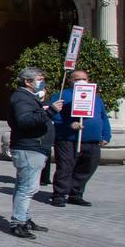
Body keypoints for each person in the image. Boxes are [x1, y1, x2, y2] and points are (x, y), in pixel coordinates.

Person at [7, 67, 59, 238]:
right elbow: (25, 121)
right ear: (28, 81)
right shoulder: (22, 98)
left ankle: (25, 218)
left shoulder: (28, 97)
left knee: (24, 186)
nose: (42, 81)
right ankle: (18, 223)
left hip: (34, 147)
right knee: (27, 188)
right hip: (29, 147)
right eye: (39, 78)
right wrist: (50, 112)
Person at [52, 69, 112, 207]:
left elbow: (103, 117)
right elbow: (55, 115)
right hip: (68, 139)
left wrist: (106, 134)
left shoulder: (96, 98)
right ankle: (59, 195)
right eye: (77, 79)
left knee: (87, 167)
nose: (81, 81)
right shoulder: (62, 95)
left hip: (91, 140)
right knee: (65, 167)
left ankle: (76, 193)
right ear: (71, 81)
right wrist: (69, 124)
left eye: (84, 78)